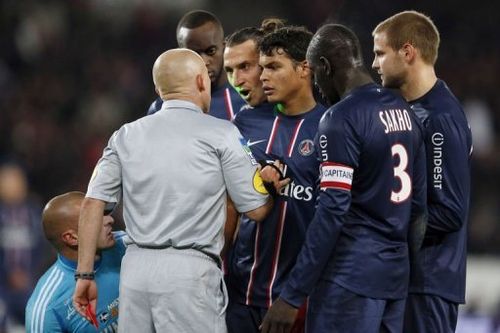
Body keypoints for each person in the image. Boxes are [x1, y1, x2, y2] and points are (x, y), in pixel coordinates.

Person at [73, 48, 285, 333]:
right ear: (200, 81)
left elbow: (91, 204)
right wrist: (269, 185)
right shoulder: (222, 133)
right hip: (190, 274)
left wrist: (84, 274)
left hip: (135, 272)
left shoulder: (126, 135)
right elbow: (257, 209)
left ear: (158, 88)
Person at [261, 23, 428, 333]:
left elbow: (332, 211)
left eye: (316, 73)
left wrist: (292, 295)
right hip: (394, 280)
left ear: (324, 66)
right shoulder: (404, 111)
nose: (317, 84)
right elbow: (417, 205)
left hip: (350, 278)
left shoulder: (340, 118)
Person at [372, 11, 472, 333]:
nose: (375, 64)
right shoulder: (411, 111)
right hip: (408, 279)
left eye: (380, 53)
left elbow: (450, 211)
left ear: (408, 52)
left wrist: (382, 226)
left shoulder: (440, 119)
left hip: (429, 284)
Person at [224, 25, 326, 333]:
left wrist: (296, 295)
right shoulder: (243, 123)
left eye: (270, 67)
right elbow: (228, 202)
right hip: (240, 292)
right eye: (263, 68)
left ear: (304, 69)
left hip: (299, 298)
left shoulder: (330, 125)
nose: (262, 76)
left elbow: (331, 218)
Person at [25, 191, 126, 333]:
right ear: (72, 238)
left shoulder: (128, 246)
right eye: (95, 218)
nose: (109, 220)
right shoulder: (47, 308)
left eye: (103, 212)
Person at [147, 10, 245, 120]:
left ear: (224, 47)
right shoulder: (161, 109)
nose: (203, 61)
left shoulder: (247, 100)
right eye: (194, 53)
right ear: (181, 54)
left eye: (211, 51)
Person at [0, 162, 44, 331]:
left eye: (17, 180)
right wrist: (7, 274)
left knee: (36, 316)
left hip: (30, 281)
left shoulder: (33, 213)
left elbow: (42, 247)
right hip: (3, 285)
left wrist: (30, 273)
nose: (13, 186)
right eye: (7, 181)